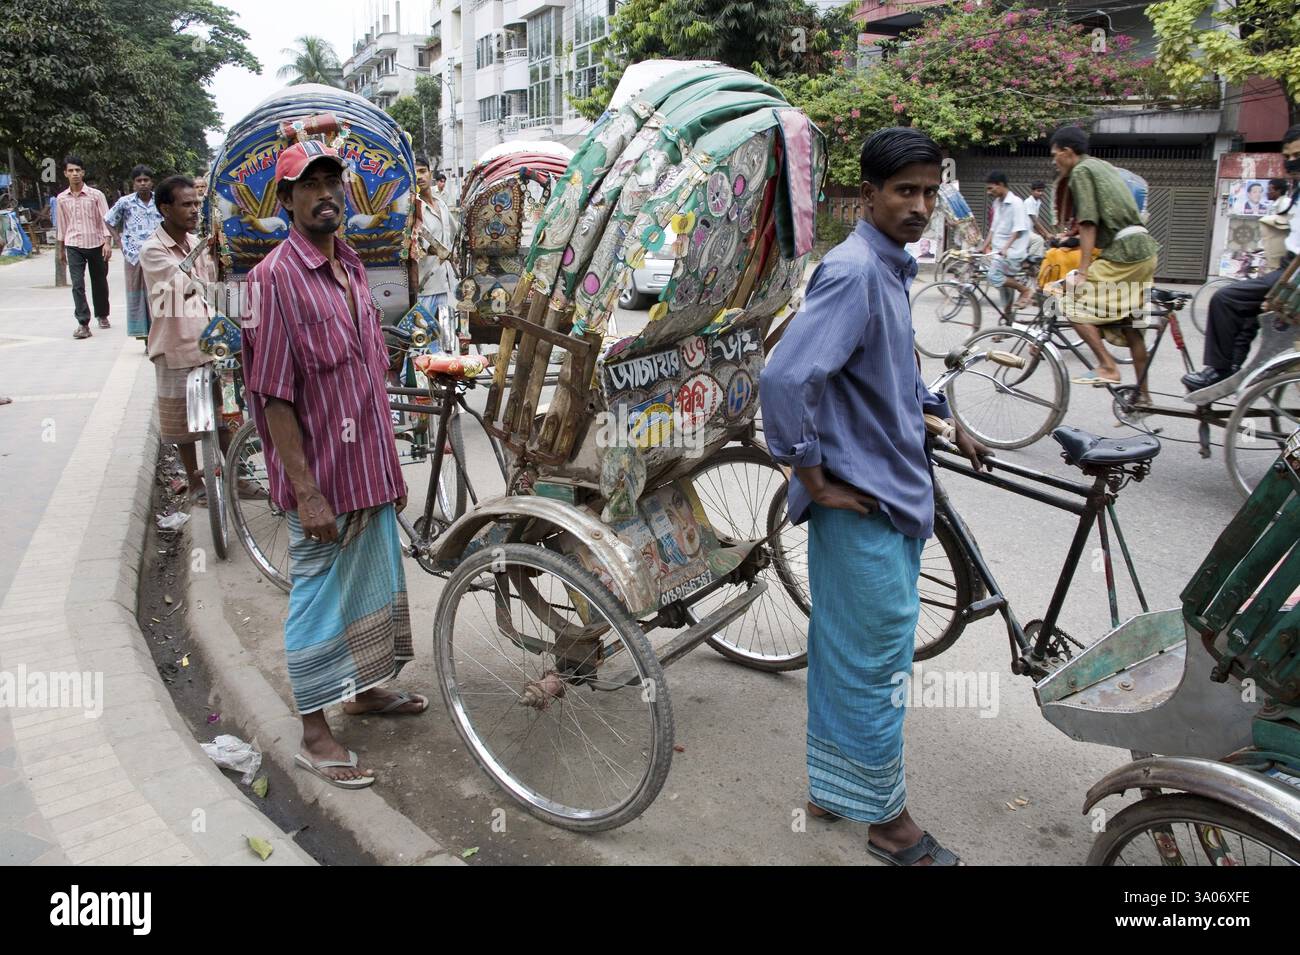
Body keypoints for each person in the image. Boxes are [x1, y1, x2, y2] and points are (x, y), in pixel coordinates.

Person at [760, 127, 988, 867]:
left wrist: (942, 415)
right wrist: (809, 473)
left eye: (929, 192)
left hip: (892, 489)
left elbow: (888, 368)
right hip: (864, 502)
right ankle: (888, 823)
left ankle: (834, 786)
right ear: (869, 195)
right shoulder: (857, 270)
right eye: (905, 191)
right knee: (874, 663)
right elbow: (786, 379)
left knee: (841, 648)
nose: (921, 206)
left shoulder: (888, 267)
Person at [241, 141, 424, 790]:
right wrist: (306, 490)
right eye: (308, 184)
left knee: (375, 583)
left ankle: (364, 690)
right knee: (317, 599)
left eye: (331, 181)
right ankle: (315, 732)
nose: (325, 192)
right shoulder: (271, 280)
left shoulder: (349, 263)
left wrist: (393, 469)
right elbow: (272, 394)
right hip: (321, 478)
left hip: (368, 467)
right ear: (286, 199)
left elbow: (371, 378)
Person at [139, 176, 244, 504]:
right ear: (165, 209)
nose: (194, 210)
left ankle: (238, 476)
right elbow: (179, 284)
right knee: (181, 422)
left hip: (211, 340)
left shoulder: (194, 241)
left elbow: (212, 285)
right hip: (175, 343)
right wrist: (203, 253)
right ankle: (194, 478)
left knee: (228, 409)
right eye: (187, 205)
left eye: (197, 203)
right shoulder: (153, 249)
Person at [1183, 125, 1300, 391]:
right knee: (1247, 306)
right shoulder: (1296, 190)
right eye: (1289, 157)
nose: (1292, 161)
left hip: (1294, 271)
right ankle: (1234, 367)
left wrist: (1279, 290)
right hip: (1286, 265)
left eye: (1297, 155)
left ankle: (1220, 369)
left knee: (1225, 299)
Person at [1049, 125, 1160, 391]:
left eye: (1055, 155)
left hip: (1124, 254)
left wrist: (1083, 272)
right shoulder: (1103, 166)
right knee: (1131, 326)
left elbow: (1089, 223)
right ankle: (1142, 398)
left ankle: (1108, 367)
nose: (1054, 161)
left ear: (1067, 151)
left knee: (1067, 300)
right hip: (1144, 251)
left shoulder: (1081, 171)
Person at [55, 155, 113, 339]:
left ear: (83, 172)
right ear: (65, 173)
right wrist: (61, 249)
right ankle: (83, 322)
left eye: (78, 170)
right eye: (71, 171)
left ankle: (102, 314)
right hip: (73, 245)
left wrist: (107, 242)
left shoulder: (96, 195)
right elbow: (62, 225)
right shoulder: (61, 198)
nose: (75, 174)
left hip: (96, 243)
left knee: (99, 281)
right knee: (77, 285)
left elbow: (106, 220)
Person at [106, 165, 164, 343]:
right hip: (134, 255)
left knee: (158, 294)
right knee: (139, 295)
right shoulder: (126, 202)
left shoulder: (161, 201)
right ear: (133, 184)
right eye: (139, 181)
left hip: (158, 254)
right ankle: (145, 336)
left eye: (146, 180)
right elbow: (108, 220)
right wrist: (119, 242)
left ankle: (159, 336)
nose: (143, 184)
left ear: (151, 182)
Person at [410, 154, 457, 341]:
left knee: (446, 343)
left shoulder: (442, 204)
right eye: (415, 173)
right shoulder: (411, 208)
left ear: (430, 174)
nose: (419, 177)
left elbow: (454, 233)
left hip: (447, 287)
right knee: (422, 345)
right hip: (424, 288)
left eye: (423, 171)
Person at [982, 171, 1034, 310]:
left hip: (1012, 252)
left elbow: (1018, 230)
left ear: (1001, 185)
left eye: (991, 188)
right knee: (1005, 295)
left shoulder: (1016, 203)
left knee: (993, 276)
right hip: (999, 252)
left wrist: (1005, 248)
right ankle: (1008, 328)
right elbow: (993, 229)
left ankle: (1025, 290)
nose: (989, 192)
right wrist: (983, 246)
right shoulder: (997, 203)